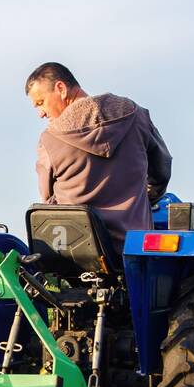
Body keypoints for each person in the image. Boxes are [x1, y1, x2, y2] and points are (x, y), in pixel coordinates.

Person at [25, 62, 172, 253]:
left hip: (78, 253)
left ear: (60, 89)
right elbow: (161, 171)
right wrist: (143, 200)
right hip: (135, 247)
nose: (41, 113)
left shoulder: (50, 139)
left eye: (40, 102)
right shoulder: (136, 116)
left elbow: (48, 200)